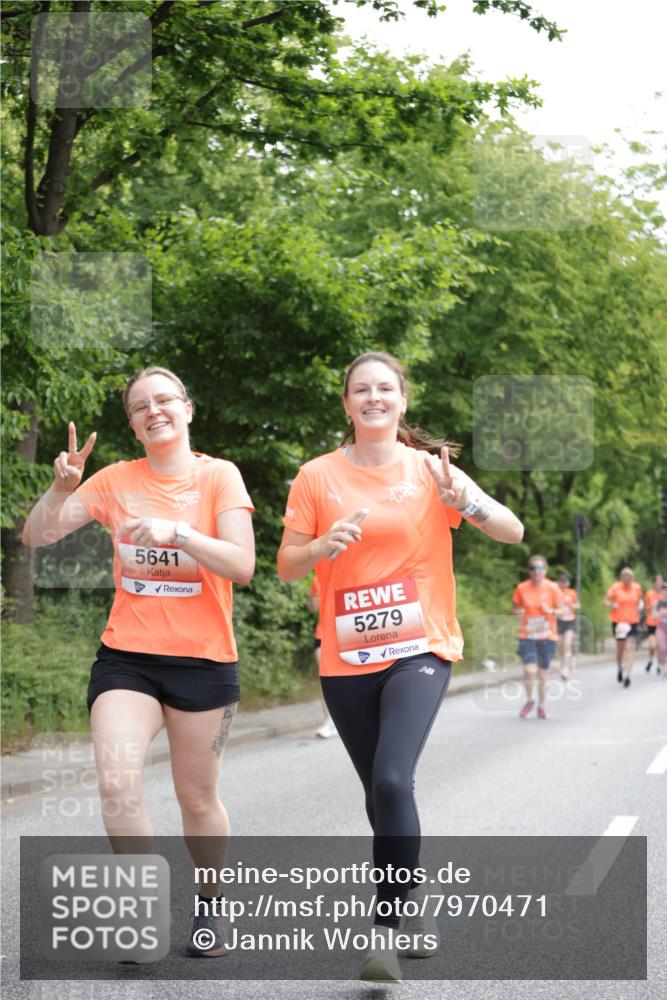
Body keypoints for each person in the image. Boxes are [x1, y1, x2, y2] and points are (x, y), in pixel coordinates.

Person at [277, 351, 523, 982]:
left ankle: (383, 933)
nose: (374, 398)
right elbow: (286, 565)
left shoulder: (431, 470)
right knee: (378, 794)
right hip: (347, 655)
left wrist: (466, 500)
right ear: (346, 403)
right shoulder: (316, 476)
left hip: (420, 647)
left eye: (385, 388)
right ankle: (413, 899)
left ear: (402, 400)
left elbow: (512, 530)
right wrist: (321, 545)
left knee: (391, 781)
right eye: (361, 390)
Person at [22, 366, 255, 960]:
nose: (154, 411)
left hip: (203, 663)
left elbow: (242, 565)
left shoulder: (219, 476)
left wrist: (179, 533)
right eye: (140, 406)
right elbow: (36, 536)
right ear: (131, 423)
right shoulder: (115, 480)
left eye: (164, 400)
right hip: (128, 659)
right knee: (116, 780)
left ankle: (211, 904)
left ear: (187, 408)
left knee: (197, 799)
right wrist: (61, 488)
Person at [513, 557, 563, 719]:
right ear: (530, 571)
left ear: (545, 570)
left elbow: (562, 610)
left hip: (547, 636)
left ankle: (541, 706)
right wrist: (518, 611)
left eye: (540, 568)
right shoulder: (521, 588)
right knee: (529, 669)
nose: (536, 572)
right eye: (533, 568)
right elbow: (515, 608)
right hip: (527, 634)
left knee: (543, 674)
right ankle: (530, 700)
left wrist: (551, 611)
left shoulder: (553, 588)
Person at [603, 567, 643, 687]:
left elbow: (639, 601)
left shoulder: (637, 588)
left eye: (629, 578)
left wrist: (640, 606)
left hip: (632, 622)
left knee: (629, 648)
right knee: (620, 650)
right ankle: (620, 668)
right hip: (619, 623)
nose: (627, 580)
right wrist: (612, 604)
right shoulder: (616, 587)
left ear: (632, 578)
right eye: (624, 578)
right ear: (622, 578)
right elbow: (605, 601)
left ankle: (627, 674)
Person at [309, 576, 338, 738]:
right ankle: (330, 721)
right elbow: (314, 607)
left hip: (344, 633)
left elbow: (314, 606)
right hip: (324, 633)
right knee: (324, 677)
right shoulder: (317, 579)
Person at [555, 572, 580, 680]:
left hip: (569, 621)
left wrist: (572, 606)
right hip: (558, 621)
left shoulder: (572, 592)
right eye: (561, 582)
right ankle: (562, 664)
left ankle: (565, 669)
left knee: (567, 644)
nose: (563, 584)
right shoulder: (554, 592)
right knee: (560, 646)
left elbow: (578, 604)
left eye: (564, 582)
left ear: (568, 583)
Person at [644, 574, 664, 673]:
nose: (659, 583)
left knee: (660, 645)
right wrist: (653, 605)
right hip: (651, 623)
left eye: (661, 581)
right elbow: (646, 607)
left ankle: (659, 665)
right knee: (653, 645)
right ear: (654, 583)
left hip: (662, 624)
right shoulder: (649, 594)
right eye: (658, 581)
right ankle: (651, 660)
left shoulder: (664, 594)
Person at [654, 583, 667, 675]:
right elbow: (653, 615)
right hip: (661, 627)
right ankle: (662, 663)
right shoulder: (658, 603)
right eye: (664, 590)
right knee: (662, 647)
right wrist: (659, 614)